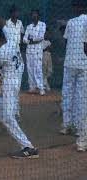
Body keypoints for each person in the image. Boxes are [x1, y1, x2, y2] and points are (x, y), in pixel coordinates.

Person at [0, 17, 39, 159]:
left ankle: (28, 147)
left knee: (7, 117)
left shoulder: (1, 54)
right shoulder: (10, 39)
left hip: (9, 84)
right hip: (14, 79)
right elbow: (0, 20)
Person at [60, 0, 87, 151]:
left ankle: (66, 125)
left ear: (78, 7)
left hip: (70, 62)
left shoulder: (71, 22)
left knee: (67, 94)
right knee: (81, 97)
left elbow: (66, 41)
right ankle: (78, 128)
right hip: (83, 64)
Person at [4, 5, 25, 117]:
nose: (17, 14)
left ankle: (16, 111)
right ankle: (9, 110)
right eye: (15, 12)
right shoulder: (6, 24)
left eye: (18, 12)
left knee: (17, 85)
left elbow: (21, 35)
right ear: (11, 13)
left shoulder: (20, 23)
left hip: (17, 55)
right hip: (8, 54)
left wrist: (20, 50)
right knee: (9, 85)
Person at [23, 9, 46, 96]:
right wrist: (31, 41)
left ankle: (41, 88)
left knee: (38, 69)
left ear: (38, 15)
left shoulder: (42, 24)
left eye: (35, 14)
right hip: (29, 51)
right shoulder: (29, 26)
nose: (34, 16)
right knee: (30, 69)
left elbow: (41, 37)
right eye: (32, 14)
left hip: (38, 51)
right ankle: (32, 87)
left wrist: (31, 39)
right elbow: (24, 39)